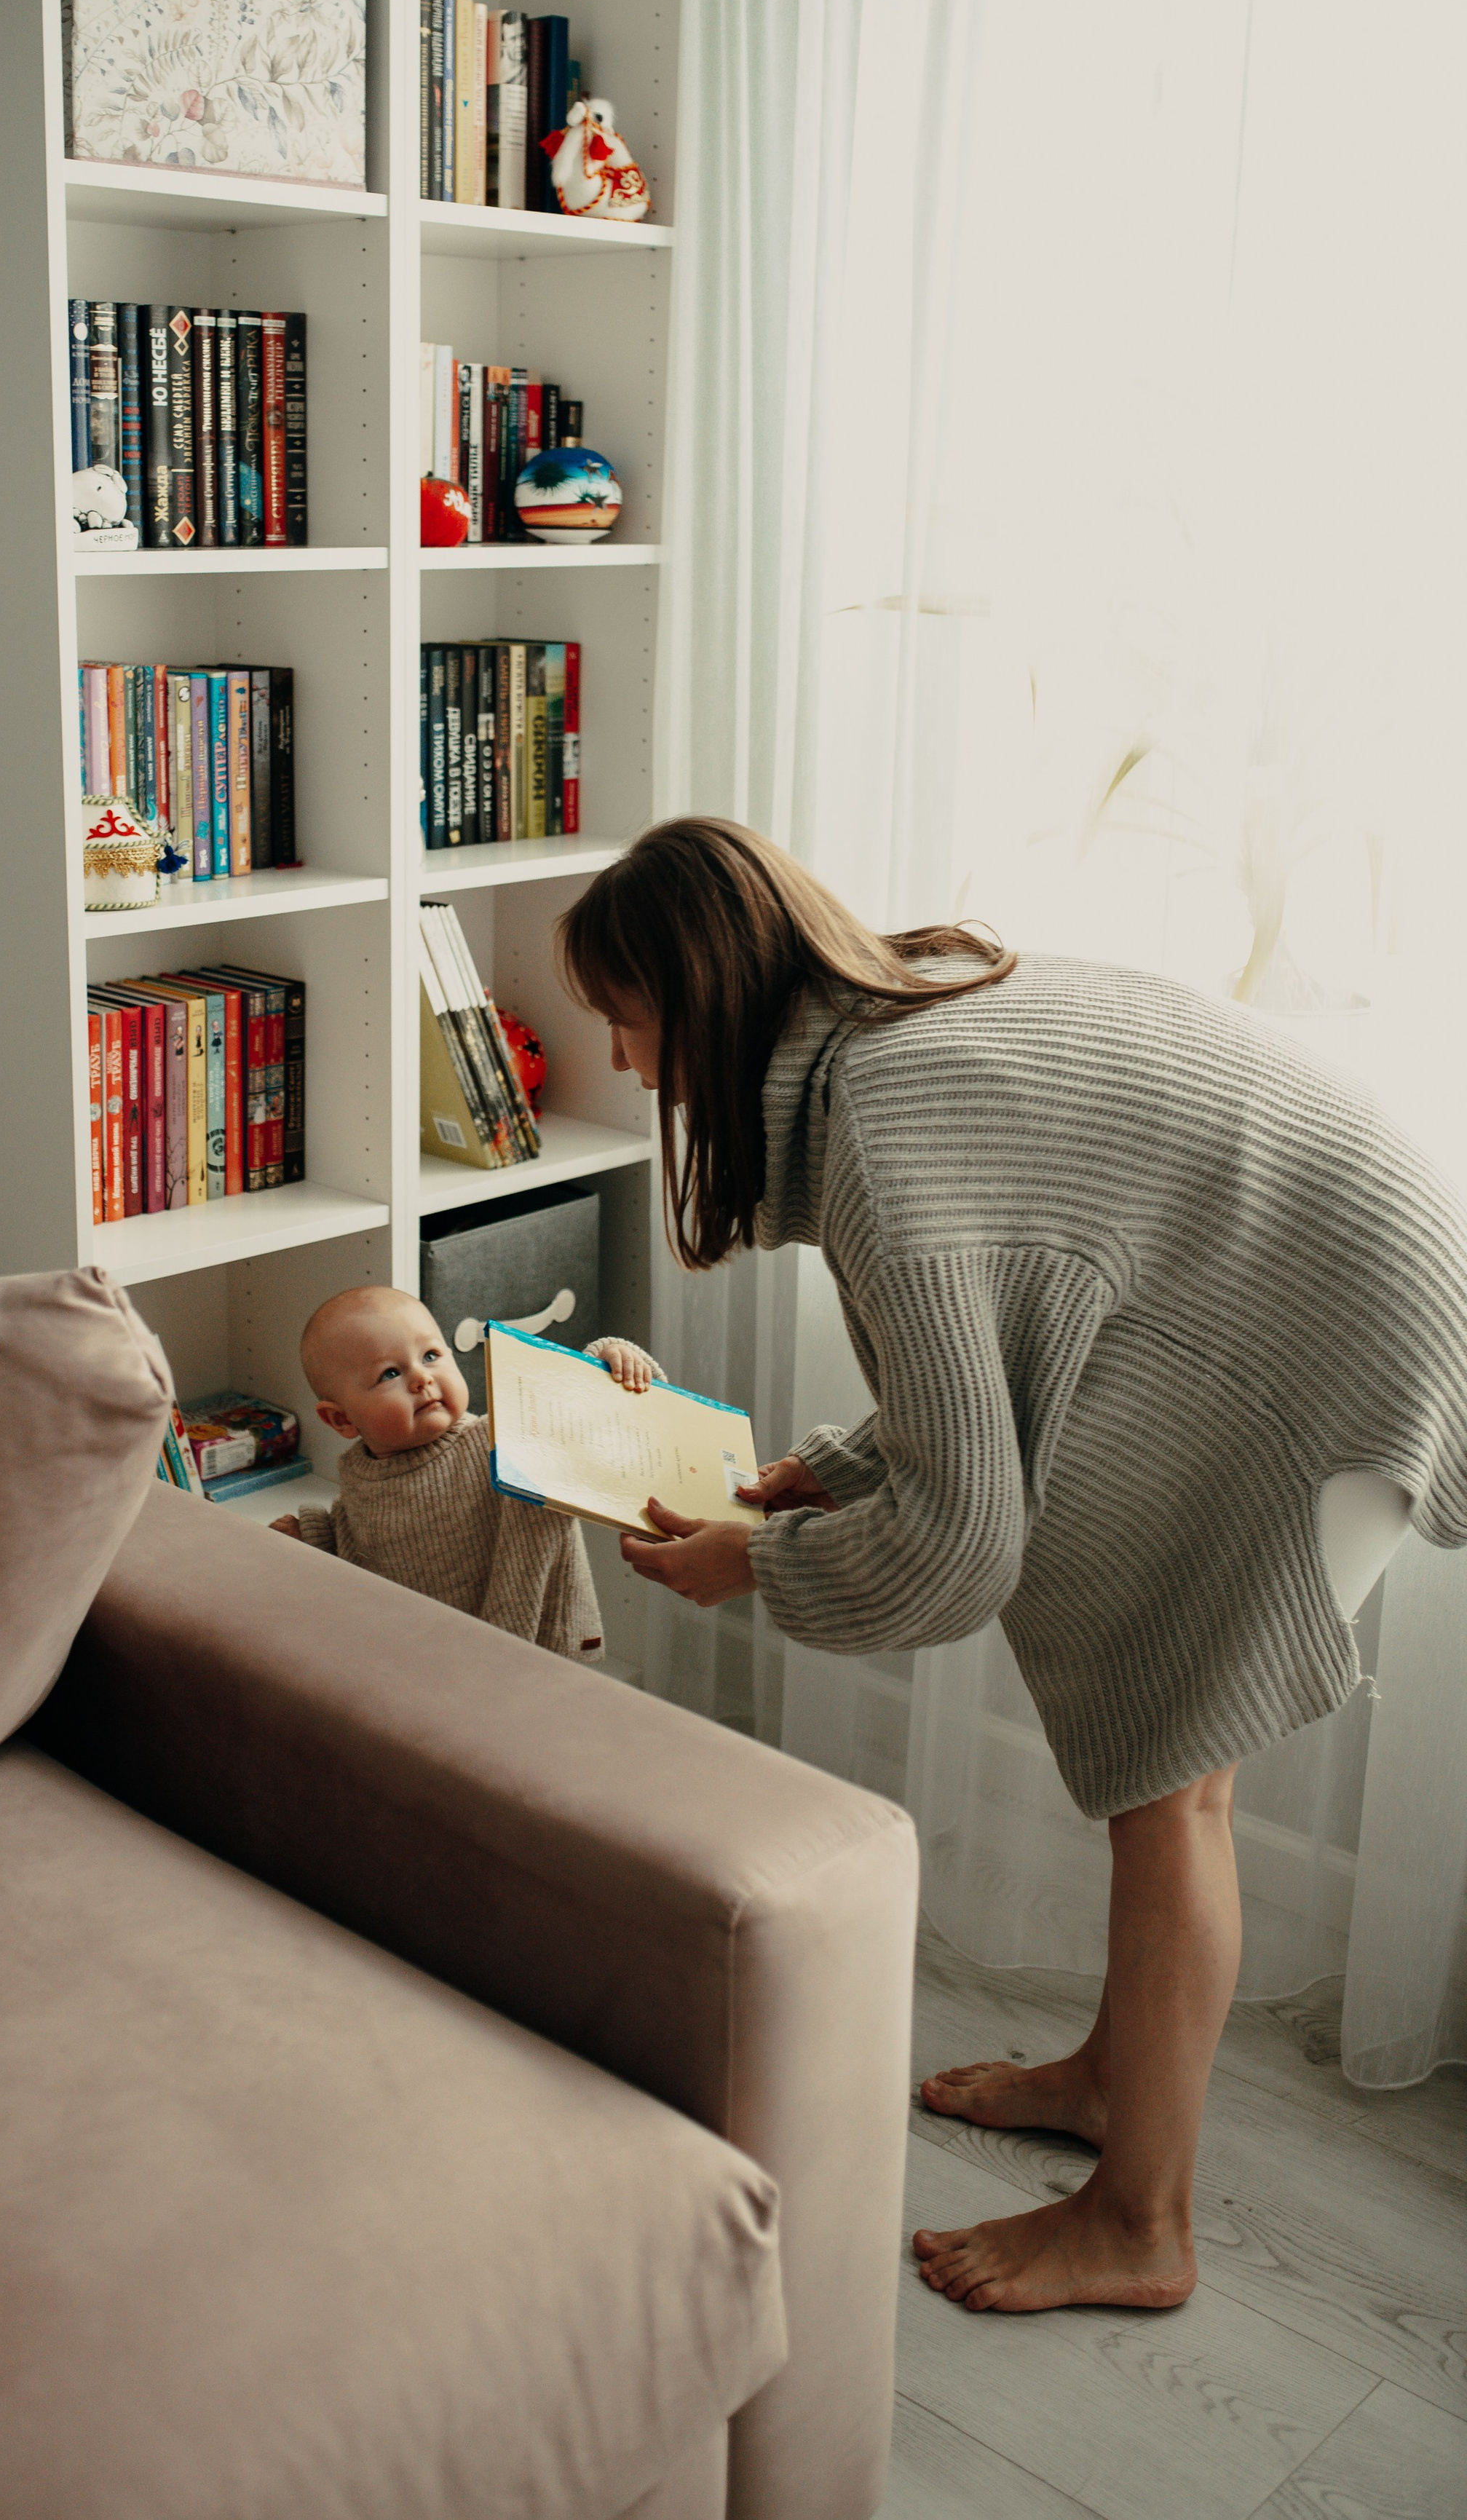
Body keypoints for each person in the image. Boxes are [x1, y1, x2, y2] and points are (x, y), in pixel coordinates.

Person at [558, 814, 1467, 2315]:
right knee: (1174, 1774)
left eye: (628, 1022)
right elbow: (1003, 1348)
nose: (620, 1064)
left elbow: (958, 1549)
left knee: (1168, 1787)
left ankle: (1140, 2222)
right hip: (1331, 1284)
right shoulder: (888, 1010)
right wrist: (831, 1472)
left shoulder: (884, 1133)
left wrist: (762, 1569)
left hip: (1342, 1348)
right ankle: (1115, 2086)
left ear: (708, 1004)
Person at [271, 1285, 657, 1657]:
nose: (422, 1378)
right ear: (340, 1419)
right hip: (427, 1650)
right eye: (390, 1374)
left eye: (431, 1355)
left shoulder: (502, 1437)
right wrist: (312, 1539)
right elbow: (362, 1546)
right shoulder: (360, 1472)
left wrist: (608, 1367)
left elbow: (587, 1427)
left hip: (531, 1641)